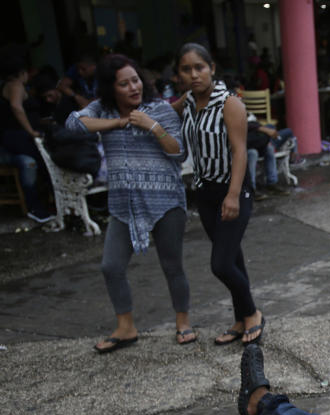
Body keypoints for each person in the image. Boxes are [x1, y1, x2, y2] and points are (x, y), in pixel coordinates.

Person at [66, 54, 192, 353]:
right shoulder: (103, 110)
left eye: (135, 79)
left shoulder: (160, 108)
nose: (133, 87)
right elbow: (74, 124)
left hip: (165, 200)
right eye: (124, 84)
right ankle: (126, 327)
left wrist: (152, 126)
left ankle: (183, 322)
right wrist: (118, 122)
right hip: (124, 203)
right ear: (112, 89)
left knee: (172, 265)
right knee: (111, 266)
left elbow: (179, 153)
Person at [175, 43, 265, 345]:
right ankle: (241, 320)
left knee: (221, 264)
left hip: (233, 190)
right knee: (233, 258)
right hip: (204, 192)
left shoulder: (229, 103)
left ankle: (252, 313)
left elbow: (240, 151)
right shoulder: (187, 101)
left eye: (199, 67)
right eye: (186, 69)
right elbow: (162, 115)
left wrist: (233, 195)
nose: (194, 74)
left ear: (211, 68)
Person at [0, 53, 52, 223]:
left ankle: (43, 204)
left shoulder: (10, 85)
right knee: (45, 162)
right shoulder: (15, 85)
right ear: (22, 72)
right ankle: (37, 206)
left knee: (37, 162)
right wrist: (31, 131)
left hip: (15, 137)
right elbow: (16, 107)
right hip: (18, 136)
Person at [245, 111, 293, 200]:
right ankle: (251, 188)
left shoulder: (247, 113)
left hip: (253, 142)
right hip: (243, 145)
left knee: (269, 149)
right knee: (253, 153)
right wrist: (263, 129)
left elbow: (253, 124)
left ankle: (272, 183)